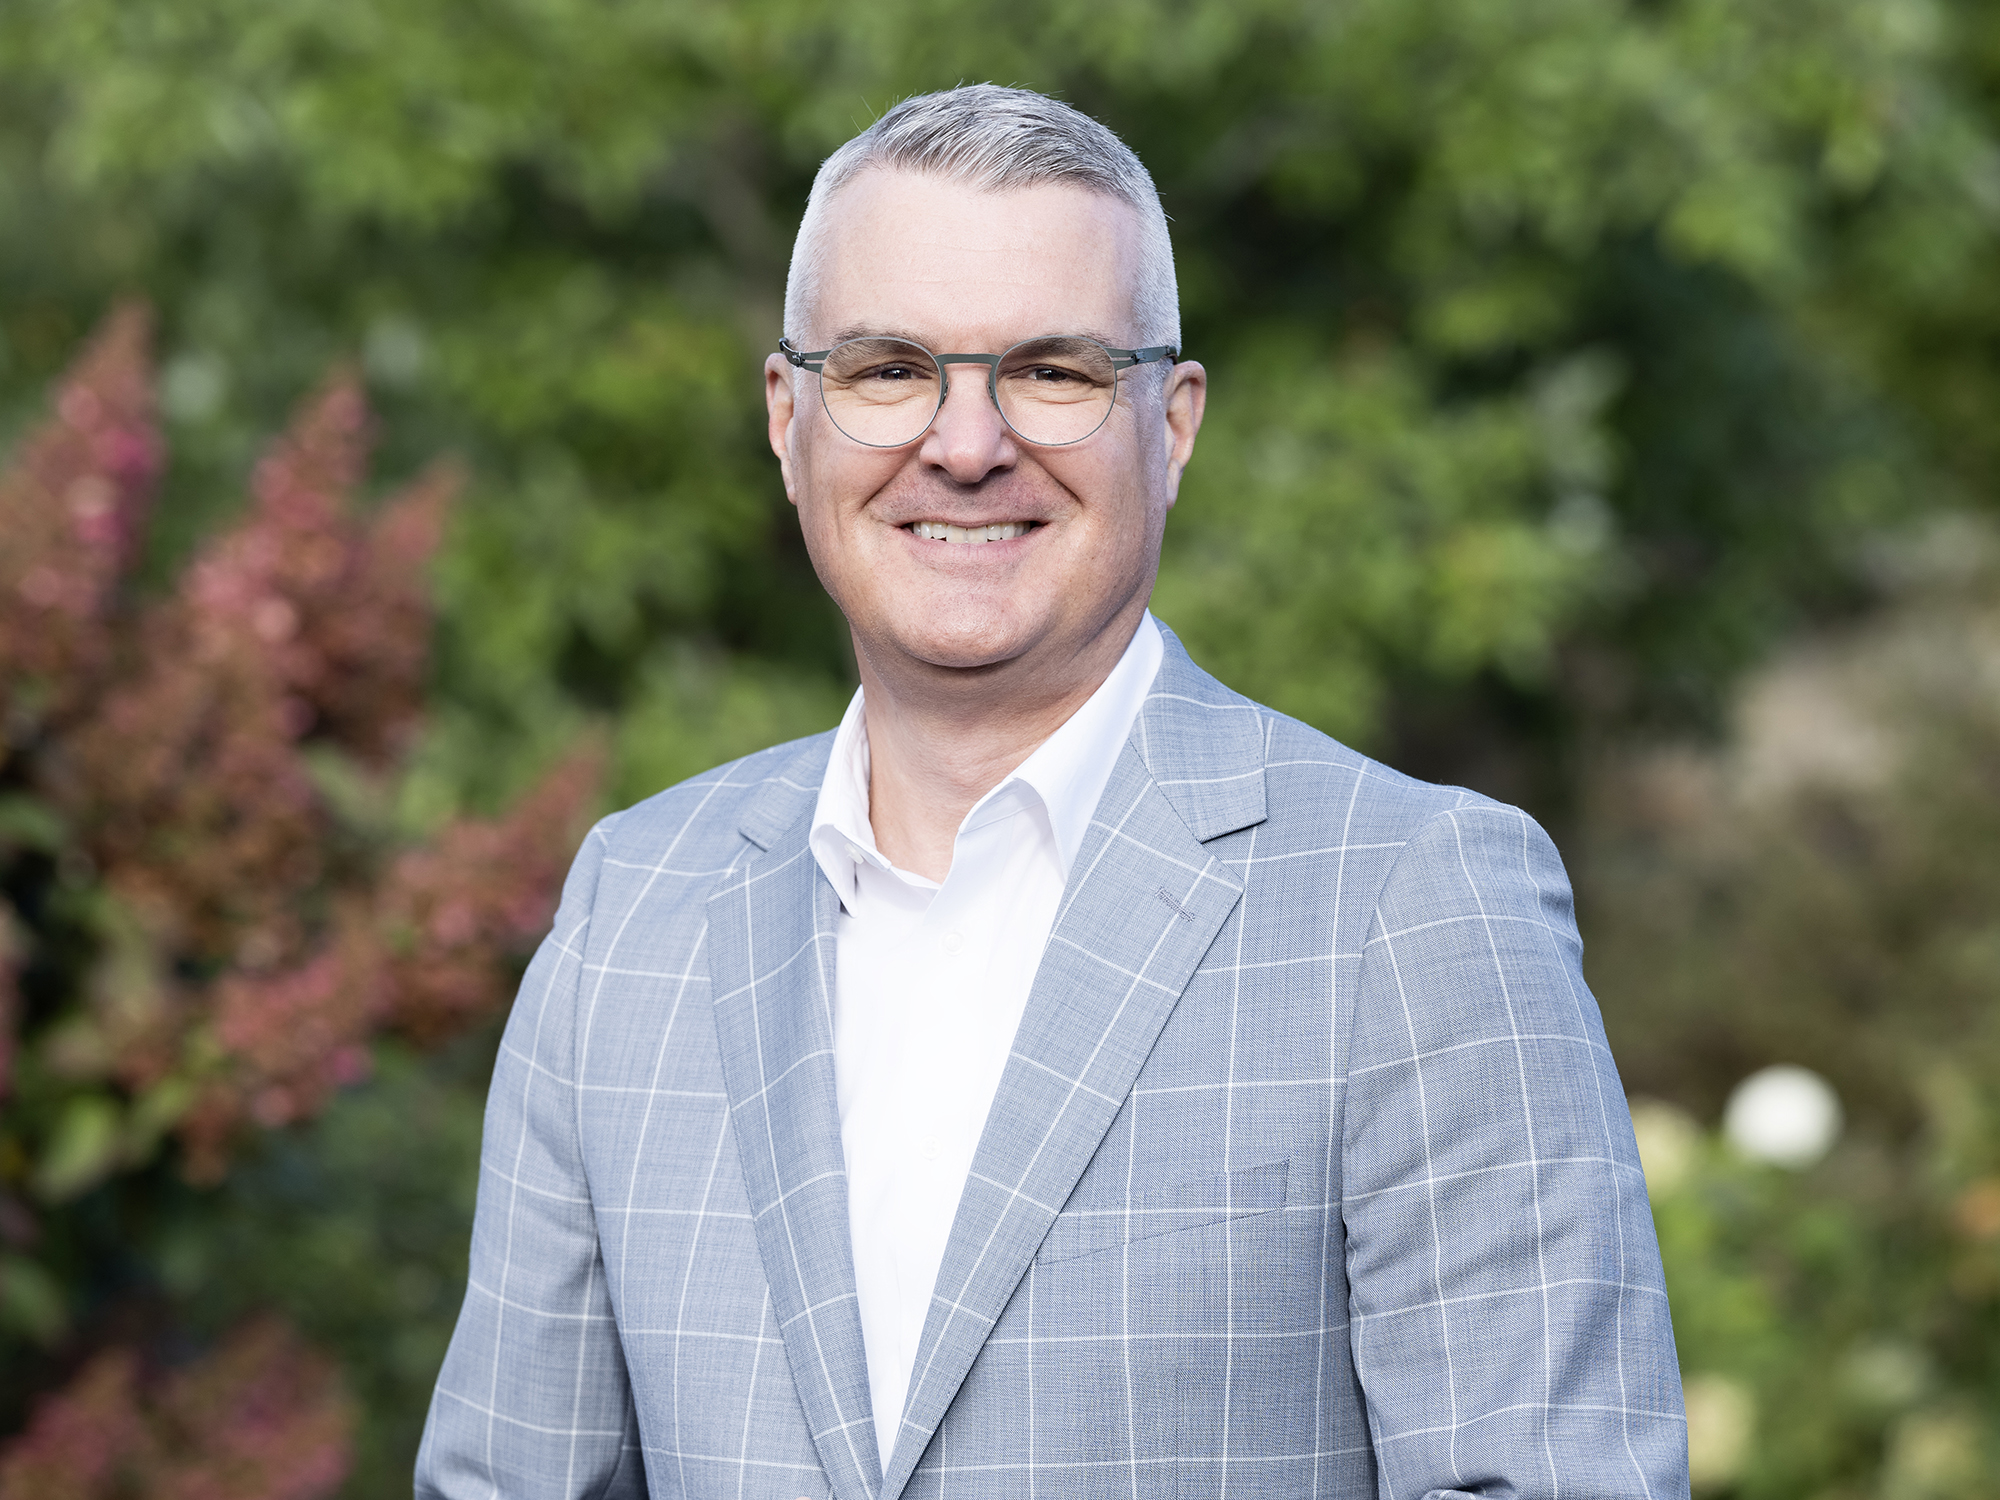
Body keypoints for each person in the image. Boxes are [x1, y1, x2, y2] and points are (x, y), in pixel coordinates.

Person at [415, 84, 1688, 1500]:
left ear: (1174, 420)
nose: (965, 446)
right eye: (889, 368)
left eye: (1055, 373)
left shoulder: (1412, 905)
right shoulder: (634, 909)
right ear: (789, 418)